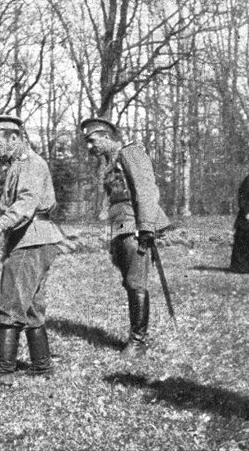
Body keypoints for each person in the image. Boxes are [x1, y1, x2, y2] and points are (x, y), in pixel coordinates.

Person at [0, 115, 63, 388]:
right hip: (33, 238)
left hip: (30, 239)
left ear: (14, 138)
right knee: (32, 305)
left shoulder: (31, 164)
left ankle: (3, 370)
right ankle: (41, 365)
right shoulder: (18, 165)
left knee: (9, 301)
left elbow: (26, 202)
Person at [80, 117, 170, 358]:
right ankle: (136, 337)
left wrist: (147, 227)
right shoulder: (110, 163)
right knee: (129, 284)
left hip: (135, 227)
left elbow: (146, 190)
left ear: (107, 137)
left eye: (92, 141)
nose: (90, 147)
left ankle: (138, 342)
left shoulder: (131, 152)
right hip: (120, 227)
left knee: (136, 283)